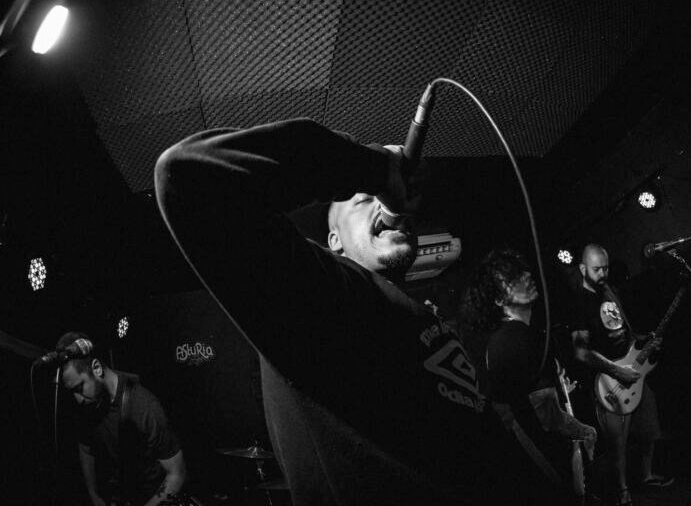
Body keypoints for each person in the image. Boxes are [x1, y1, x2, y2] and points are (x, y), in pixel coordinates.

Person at [154, 118, 539, 505]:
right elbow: (189, 176)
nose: (388, 206)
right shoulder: (322, 296)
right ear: (334, 241)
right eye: (364, 200)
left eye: (386, 199)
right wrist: (374, 170)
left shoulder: (417, 315)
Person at [461, 247, 597, 501]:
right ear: (498, 300)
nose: (526, 275)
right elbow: (546, 418)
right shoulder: (515, 338)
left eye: (522, 271)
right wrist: (585, 432)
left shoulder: (511, 337)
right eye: (513, 278)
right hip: (545, 461)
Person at [569, 244, 673, 506]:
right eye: (596, 269)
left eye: (605, 268)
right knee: (618, 443)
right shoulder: (579, 303)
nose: (602, 273)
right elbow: (581, 352)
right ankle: (622, 492)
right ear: (582, 268)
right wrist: (617, 371)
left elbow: (624, 332)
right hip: (608, 381)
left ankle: (646, 476)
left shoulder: (610, 292)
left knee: (649, 429)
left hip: (633, 370)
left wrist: (645, 341)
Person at [58, 332, 186, 506]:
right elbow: (85, 448)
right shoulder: (88, 406)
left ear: (97, 368)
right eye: (72, 392)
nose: (78, 399)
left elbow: (177, 474)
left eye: (80, 387)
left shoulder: (145, 407)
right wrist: (94, 494)